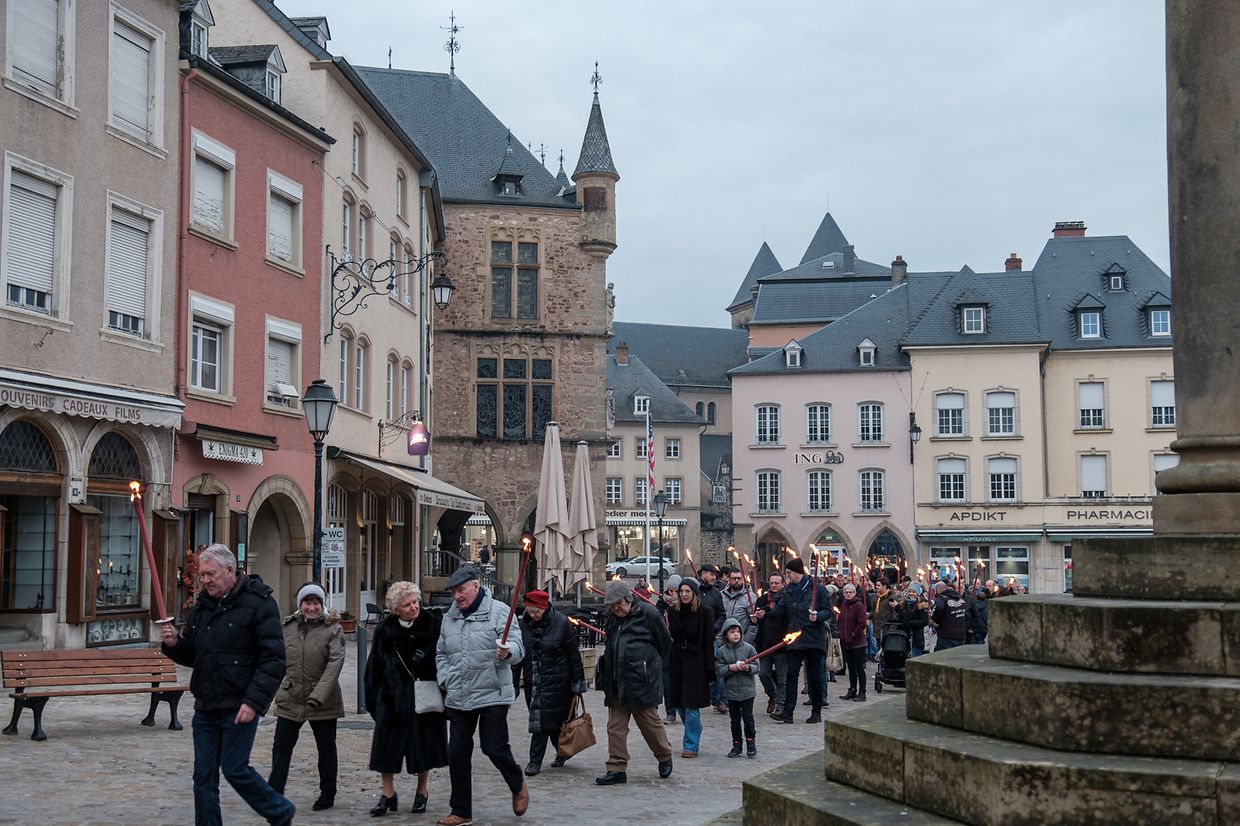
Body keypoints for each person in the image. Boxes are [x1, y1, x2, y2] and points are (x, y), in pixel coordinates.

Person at [158, 543, 292, 826]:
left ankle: (279, 810)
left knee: (235, 769)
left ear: (230, 571)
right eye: (202, 575)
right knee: (203, 777)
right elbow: (195, 655)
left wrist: (253, 702)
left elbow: (273, 660)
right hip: (206, 705)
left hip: (239, 704)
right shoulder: (202, 608)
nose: (205, 581)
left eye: (210, 574)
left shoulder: (259, 603)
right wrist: (173, 645)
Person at [436, 567, 528, 826]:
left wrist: (507, 652)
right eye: (453, 592)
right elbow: (441, 653)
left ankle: (517, 782)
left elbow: (519, 648)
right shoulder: (449, 618)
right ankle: (461, 810)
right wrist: (445, 678)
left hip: (492, 691)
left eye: (461, 590)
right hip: (459, 692)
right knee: (457, 752)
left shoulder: (500, 612)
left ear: (475, 587)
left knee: (493, 747)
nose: (457, 596)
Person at [366, 581, 448, 817]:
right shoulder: (385, 630)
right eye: (406, 605)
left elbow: (445, 657)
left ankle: (422, 791)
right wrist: (374, 700)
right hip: (391, 697)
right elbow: (374, 667)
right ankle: (388, 794)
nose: (413, 607)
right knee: (385, 749)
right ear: (396, 609)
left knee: (423, 747)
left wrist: (428, 659)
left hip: (423, 697)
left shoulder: (432, 625)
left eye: (415, 602)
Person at [268, 582, 344, 812]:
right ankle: (274, 792)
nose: (311, 607)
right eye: (307, 602)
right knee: (281, 747)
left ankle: (327, 792)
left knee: (326, 748)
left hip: (322, 698)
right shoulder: (288, 627)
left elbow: (335, 663)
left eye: (315, 603)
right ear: (300, 604)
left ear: (321, 605)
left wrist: (318, 695)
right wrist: (265, 693)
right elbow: (279, 662)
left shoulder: (333, 629)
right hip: (291, 696)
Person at [596, 579, 675, 785]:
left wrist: (649, 668)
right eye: (612, 606)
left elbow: (665, 644)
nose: (616, 609)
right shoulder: (611, 618)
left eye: (619, 604)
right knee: (615, 728)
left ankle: (664, 755)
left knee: (650, 724)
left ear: (628, 599)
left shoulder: (648, 614)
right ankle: (616, 767)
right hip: (616, 682)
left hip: (642, 681)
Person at [518, 589, 585, 776]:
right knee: (551, 722)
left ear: (544, 607)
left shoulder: (562, 623)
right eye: (529, 611)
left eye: (536, 611)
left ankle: (535, 762)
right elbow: (519, 655)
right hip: (534, 681)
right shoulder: (523, 624)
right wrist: (513, 683)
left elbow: (573, 654)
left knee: (544, 723)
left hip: (559, 682)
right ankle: (563, 752)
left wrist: (578, 681)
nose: (533, 615)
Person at [768, 557, 829, 724]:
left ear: (797, 573)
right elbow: (780, 610)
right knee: (791, 675)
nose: (787, 576)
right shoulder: (788, 591)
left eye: (788, 573)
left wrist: (818, 616)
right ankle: (788, 712)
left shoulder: (817, 589)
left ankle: (816, 711)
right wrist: (764, 613)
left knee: (814, 676)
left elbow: (828, 611)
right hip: (795, 640)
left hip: (813, 639)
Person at [666, 577, 715, 758]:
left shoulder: (705, 613)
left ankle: (690, 745)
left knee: (691, 704)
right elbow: (671, 635)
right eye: (682, 591)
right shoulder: (673, 612)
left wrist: (710, 670)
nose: (684, 595)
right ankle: (695, 728)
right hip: (678, 660)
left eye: (688, 591)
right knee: (678, 702)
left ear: (694, 593)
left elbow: (708, 643)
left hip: (696, 662)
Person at [715, 618, 759, 758]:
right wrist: (731, 668)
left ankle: (751, 743)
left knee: (748, 718)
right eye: (732, 632)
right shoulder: (722, 652)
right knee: (734, 721)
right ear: (726, 634)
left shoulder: (749, 648)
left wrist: (747, 668)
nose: (735, 634)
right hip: (732, 692)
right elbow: (719, 670)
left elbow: (757, 667)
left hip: (747, 691)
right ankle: (737, 744)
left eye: (738, 631)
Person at [753, 572, 788, 717]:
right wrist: (755, 619)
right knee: (764, 674)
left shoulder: (786, 599)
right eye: (771, 583)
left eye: (776, 583)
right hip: (765, 643)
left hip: (781, 643)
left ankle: (781, 705)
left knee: (782, 678)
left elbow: (785, 616)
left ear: (783, 584)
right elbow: (755, 620)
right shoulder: (761, 600)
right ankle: (772, 695)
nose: (773, 585)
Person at [696, 564, 727, 712]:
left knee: (716, 669)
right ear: (703, 574)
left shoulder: (716, 594)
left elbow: (722, 615)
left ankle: (717, 698)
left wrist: (713, 628)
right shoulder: (693, 591)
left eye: (715, 575)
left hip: (710, 638)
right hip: (693, 638)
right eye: (711, 574)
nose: (714, 577)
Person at [838, 583, 869, 702]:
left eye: (850, 592)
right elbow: (841, 621)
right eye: (846, 592)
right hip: (846, 642)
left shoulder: (859, 605)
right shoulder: (844, 605)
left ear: (854, 593)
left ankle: (862, 692)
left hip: (857, 642)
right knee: (850, 668)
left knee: (859, 667)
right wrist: (841, 633)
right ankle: (852, 689)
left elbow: (861, 623)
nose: (848, 594)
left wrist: (853, 634)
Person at [657, 574, 682, 723]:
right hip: (666, 650)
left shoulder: (684, 605)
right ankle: (670, 712)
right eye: (671, 591)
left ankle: (683, 708)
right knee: (666, 683)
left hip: (681, 649)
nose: (673, 594)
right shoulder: (661, 605)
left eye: (676, 591)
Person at [719, 567, 757, 643]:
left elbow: (754, 623)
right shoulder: (721, 595)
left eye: (739, 578)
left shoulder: (750, 597)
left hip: (741, 641)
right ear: (728, 579)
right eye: (734, 578)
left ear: (742, 579)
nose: (736, 581)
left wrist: (745, 642)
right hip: (723, 642)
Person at [932, 574, 969, 651]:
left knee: (943, 658)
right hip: (960, 634)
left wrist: (935, 620)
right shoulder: (960, 599)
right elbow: (966, 614)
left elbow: (938, 608)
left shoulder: (941, 598)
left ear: (938, 590)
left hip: (946, 636)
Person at [897, 583, 930, 657]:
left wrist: (911, 623)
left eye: (914, 592)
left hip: (916, 635)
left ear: (918, 594)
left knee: (915, 656)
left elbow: (925, 621)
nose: (911, 593)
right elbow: (900, 616)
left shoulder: (921, 605)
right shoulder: (904, 604)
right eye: (910, 591)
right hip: (905, 635)